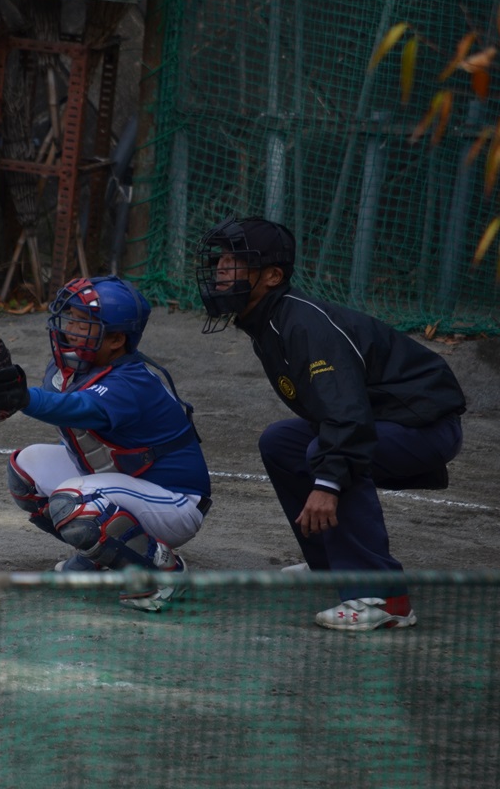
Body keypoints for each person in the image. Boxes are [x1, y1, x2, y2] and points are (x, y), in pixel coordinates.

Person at [196, 216, 466, 631]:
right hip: (384, 420)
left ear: (272, 276)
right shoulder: (267, 319)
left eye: (235, 262)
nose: (220, 271)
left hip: (422, 426)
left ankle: (383, 597)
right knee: (279, 441)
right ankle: (332, 566)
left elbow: (346, 416)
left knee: (327, 454)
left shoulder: (303, 325)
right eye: (221, 261)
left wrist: (328, 484)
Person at [0, 275, 211, 612]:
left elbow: (82, 408)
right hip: (129, 484)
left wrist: (22, 398)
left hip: (172, 502)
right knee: (25, 470)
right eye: (71, 317)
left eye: (83, 322)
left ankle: (162, 570)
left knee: (74, 503)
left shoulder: (131, 381)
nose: (71, 328)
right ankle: (104, 556)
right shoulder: (72, 366)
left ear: (116, 339)